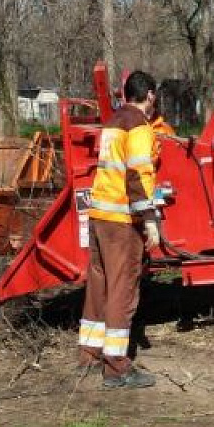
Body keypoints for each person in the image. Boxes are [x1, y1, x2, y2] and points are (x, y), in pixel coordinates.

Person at [77, 70, 161, 389]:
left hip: (99, 214)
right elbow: (137, 173)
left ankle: (89, 353)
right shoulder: (139, 125)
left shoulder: (113, 122)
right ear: (149, 95)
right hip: (121, 221)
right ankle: (116, 368)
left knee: (98, 286)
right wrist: (150, 219)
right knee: (122, 290)